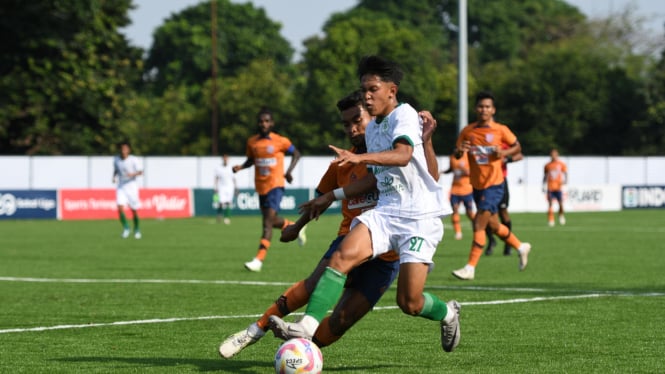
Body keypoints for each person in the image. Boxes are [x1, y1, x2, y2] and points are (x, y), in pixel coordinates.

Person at [218, 90, 441, 358]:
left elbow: (427, 182)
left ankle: (302, 354)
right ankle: (255, 330)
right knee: (313, 283)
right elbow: (319, 200)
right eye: (346, 124)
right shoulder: (341, 164)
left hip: (389, 254)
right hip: (353, 235)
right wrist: (297, 226)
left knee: (340, 321)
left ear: (373, 115)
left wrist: (425, 142)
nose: (352, 128)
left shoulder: (394, 149)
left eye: (357, 120)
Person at [268, 55, 461, 353]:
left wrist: (358, 157)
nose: (367, 96)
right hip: (386, 211)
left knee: (409, 302)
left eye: (373, 89)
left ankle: (447, 313)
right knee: (341, 256)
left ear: (391, 91)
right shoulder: (372, 130)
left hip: (419, 218)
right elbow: (376, 177)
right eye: (364, 90)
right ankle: (306, 326)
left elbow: (402, 155)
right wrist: (332, 195)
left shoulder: (404, 114)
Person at [451, 91, 531, 281]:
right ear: (475, 109)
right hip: (477, 186)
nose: (483, 109)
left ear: (493, 110)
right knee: (494, 226)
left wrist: (503, 153)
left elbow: (518, 147)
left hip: (495, 184)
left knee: (479, 223)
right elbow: (456, 154)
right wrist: (459, 151)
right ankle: (521, 246)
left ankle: (470, 267)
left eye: (487, 106)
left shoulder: (501, 130)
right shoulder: (468, 131)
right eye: (480, 106)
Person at [233, 107, 305, 272]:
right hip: (261, 186)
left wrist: (289, 172)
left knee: (266, 224)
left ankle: (258, 260)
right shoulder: (252, 142)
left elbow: (297, 154)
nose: (263, 124)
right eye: (261, 121)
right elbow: (252, 160)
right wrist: (241, 167)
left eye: (267, 121)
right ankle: (295, 226)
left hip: (276, 185)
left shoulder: (280, 141)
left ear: (272, 123)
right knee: (271, 221)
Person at [485, 143, 523, 256]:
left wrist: (506, 160)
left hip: (500, 182)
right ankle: (491, 241)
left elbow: (520, 155)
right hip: (485, 182)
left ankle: (508, 244)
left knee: (503, 212)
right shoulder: (481, 142)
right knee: (485, 214)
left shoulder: (502, 142)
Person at [442, 150, 476, 241]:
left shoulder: (468, 156)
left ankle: (477, 225)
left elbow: (472, 171)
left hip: (467, 189)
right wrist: (442, 172)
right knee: (455, 209)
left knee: (469, 212)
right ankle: (458, 232)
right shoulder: (452, 157)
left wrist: (464, 171)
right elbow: (451, 169)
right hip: (455, 190)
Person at [112, 141, 143, 239]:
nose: (123, 151)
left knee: (134, 210)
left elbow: (140, 172)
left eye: (125, 149)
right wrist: (114, 176)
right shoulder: (116, 159)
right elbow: (116, 169)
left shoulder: (133, 159)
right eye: (122, 149)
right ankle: (126, 228)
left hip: (132, 186)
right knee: (120, 207)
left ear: (129, 150)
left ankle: (137, 229)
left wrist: (132, 174)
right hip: (121, 186)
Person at [543, 148, 567, 226]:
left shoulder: (561, 164)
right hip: (550, 187)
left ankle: (561, 215)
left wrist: (565, 181)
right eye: (552, 154)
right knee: (550, 204)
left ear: (557, 155)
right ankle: (551, 219)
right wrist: (543, 185)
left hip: (558, 187)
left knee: (560, 204)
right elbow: (545, 175)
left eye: (555, 154)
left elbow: (565, 173)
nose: (553, 156)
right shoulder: (547, 165)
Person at [213, 154, 236, 224]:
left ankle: (227, 218)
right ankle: (219, 215)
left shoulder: (231, 168)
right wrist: (215, 187)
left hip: (230, 187)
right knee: (221, 202)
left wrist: (236, 188)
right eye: (224, 159)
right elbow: (216, 178)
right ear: (223, 159)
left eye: (226, 159)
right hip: (221, 187)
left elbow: (234, 178)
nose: (225, 160)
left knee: (228, 202)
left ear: (228, 160)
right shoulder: (219, 168)